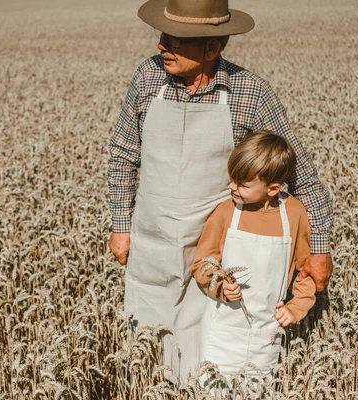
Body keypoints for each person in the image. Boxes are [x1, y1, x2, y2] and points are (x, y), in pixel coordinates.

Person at [107, 0, 333, 379]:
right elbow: (122, 153)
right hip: (152, 245)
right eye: (163, 35)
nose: (161, 44)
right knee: (146, 363)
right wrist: (120, 225)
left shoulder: (252, 93)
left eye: (175, 40)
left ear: (212, 48)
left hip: (214, 257)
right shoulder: (147, 78)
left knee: (206, 366)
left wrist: (320, 250)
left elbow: (302, 175)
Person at [192, 130, 316, 380]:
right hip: (221, 333)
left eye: (242, 184)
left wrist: (296, 307)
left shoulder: (294, 214)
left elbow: (306, 269)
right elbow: (202, 262)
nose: (231, 187)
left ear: (272, 189)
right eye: (232, 178)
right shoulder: (226, 212)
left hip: (265, 336)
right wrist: (219, 287)